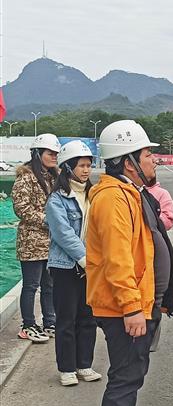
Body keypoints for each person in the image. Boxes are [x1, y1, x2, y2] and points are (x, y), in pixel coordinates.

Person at [86, 120, 173, 406]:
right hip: (123, 308)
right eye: (148, 154)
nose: (153, 160)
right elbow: (118, 259)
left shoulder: (128, 193)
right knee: (124, 378)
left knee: (133, 375)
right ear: (128, 161)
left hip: (138, 303)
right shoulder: (112, 199)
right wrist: (132, 307)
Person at [45, 139, 101, 386]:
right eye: (81, 166)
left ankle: (84, 364)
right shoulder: (57, 199)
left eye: (89, 165)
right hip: (66, 267)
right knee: (66, 319)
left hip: (91, 265)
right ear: (68, 167)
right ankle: (67, 368)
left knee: (88, 317)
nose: (86, 170)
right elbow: (63, 233)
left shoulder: (94, 194)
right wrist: (84, 259)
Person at [12, 133, 60, 342]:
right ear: (37, 153)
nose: (54, 156)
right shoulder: (26, 177)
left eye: (56, 153)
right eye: (50, 153)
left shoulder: (52, 177)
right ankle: (28, 325)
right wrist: (48, 220)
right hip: (31, 241)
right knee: (31, 285)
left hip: (49, 242)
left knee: (49, 285)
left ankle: (50, 322)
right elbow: (21, 208)